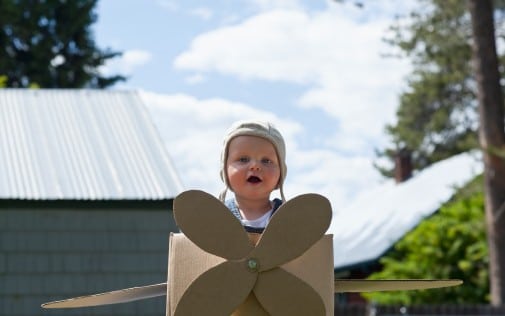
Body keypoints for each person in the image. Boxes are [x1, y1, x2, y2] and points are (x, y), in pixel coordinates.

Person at [219, 120, 287, 233]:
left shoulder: (290, 218)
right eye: (243, 159)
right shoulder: (215, 218)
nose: (255, 166)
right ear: (225, 169)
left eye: (266, 161)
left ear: (281, 172)